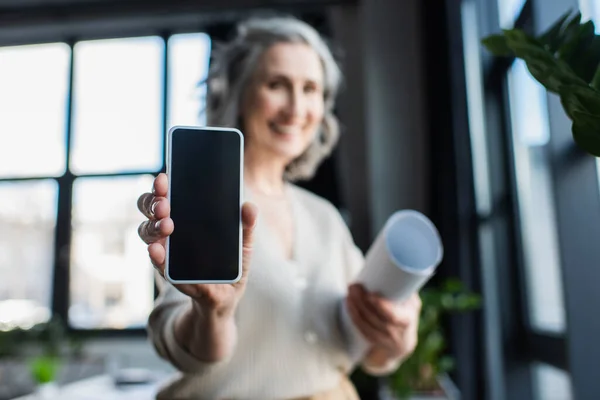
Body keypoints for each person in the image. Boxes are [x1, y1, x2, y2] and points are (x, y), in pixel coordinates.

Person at [136, 15, 422, 400]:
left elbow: (367, 351)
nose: (296, 107)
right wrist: (212, 314)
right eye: (277, 85)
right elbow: (185, 350)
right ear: (239, 94)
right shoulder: (203, 201)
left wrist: (396, 339)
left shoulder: (325, 217)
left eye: (311, 89)